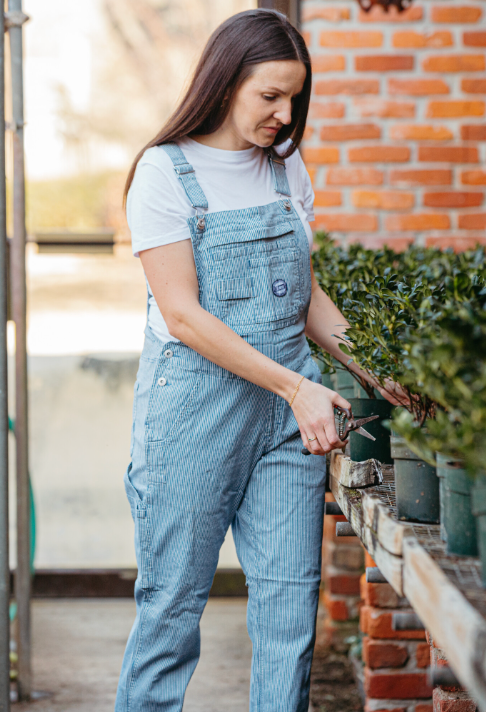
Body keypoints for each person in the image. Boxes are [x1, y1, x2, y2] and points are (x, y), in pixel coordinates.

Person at [115, 9, 396, 712]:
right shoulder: (163, 172)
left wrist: (380, 372)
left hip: (281, 422)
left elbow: (303, 297)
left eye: (294, 98)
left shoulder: (285, 167)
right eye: (269, 95)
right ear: (225, 79)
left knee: (288, 618)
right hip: (194, 418)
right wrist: (298, 387)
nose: (284, 113)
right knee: (170, 614)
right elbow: (182, 315)